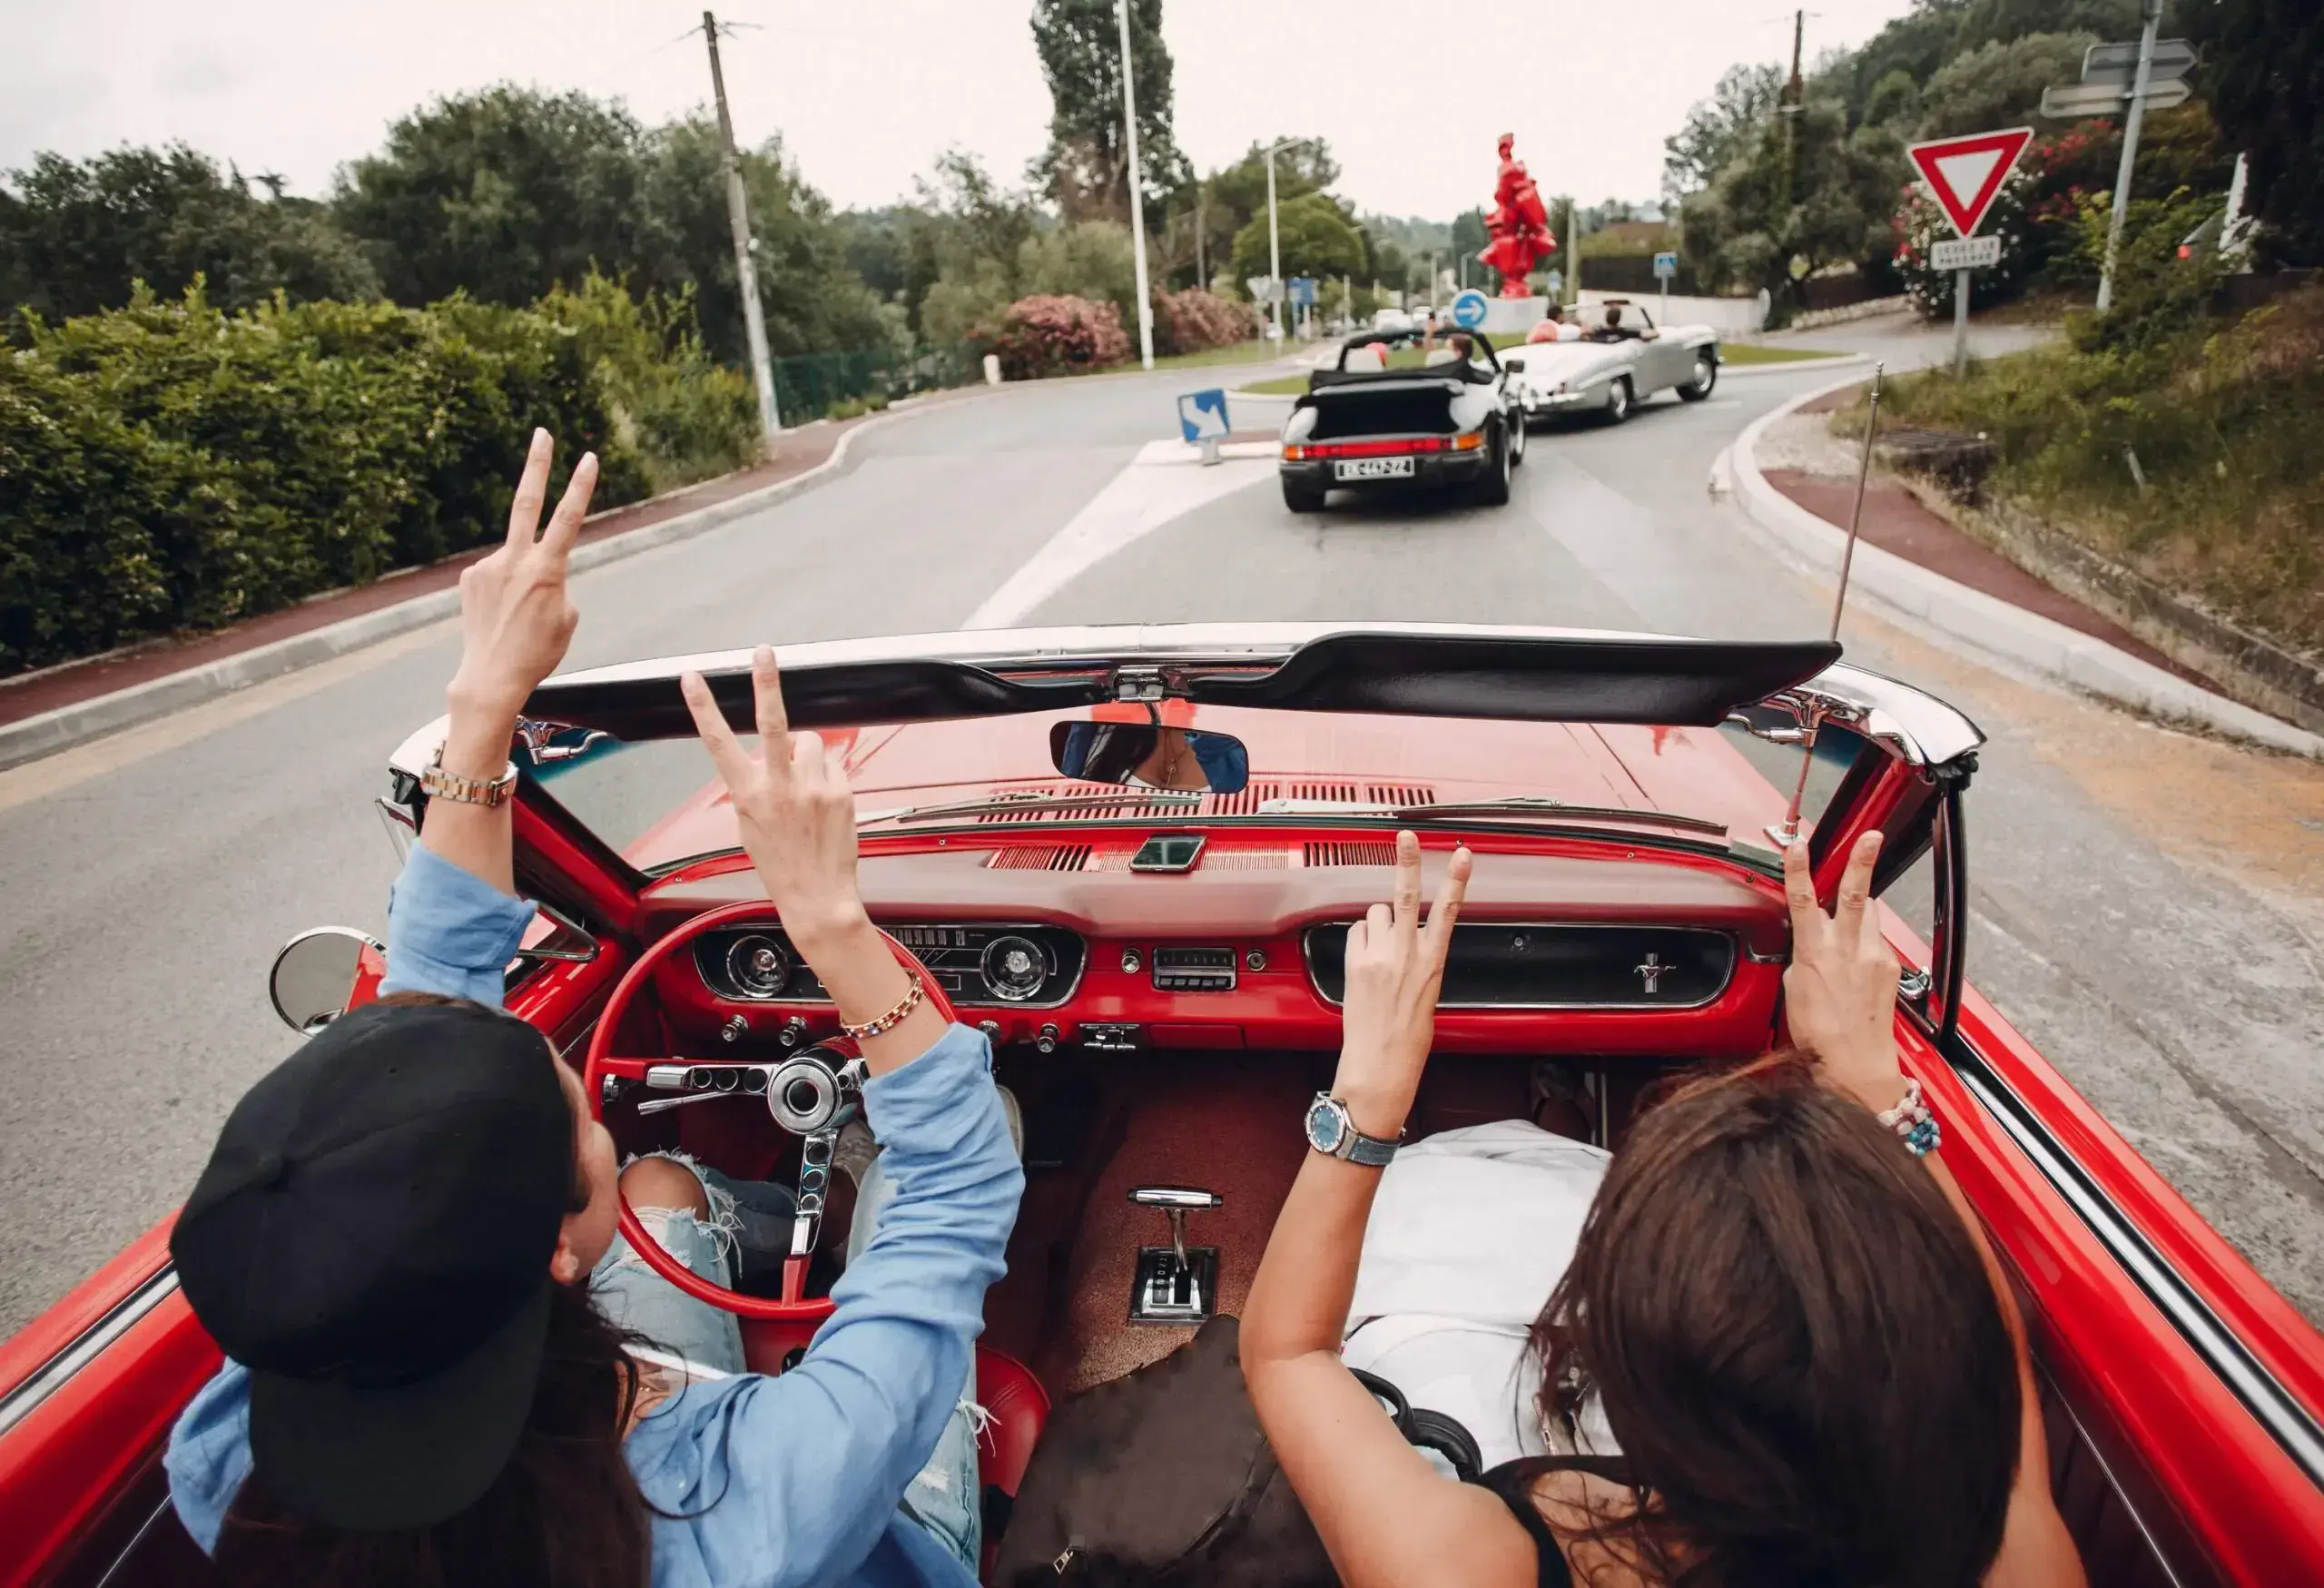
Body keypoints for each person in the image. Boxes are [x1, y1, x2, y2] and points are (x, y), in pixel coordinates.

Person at [164, 429, 1025, 1588]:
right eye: (574, 1109)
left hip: (573, 1414)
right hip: (861, 1536)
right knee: (961, 1163)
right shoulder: (748, 1507)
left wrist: (483, 711)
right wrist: (826, 922)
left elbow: (425, 1046)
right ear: (562, 1252)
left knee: (674, 1192)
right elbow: (960, 1186)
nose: (567, 1090)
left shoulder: (236, 1455)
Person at [1241, 833, 2086, 1588]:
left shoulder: (1475, 1563)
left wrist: (1370, 1086)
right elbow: (1987, 1362)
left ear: (1618, 1380)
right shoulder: (2005, 1555)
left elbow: (1287, 1353)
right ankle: (1557, 1121)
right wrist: (1875, 1085)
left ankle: (1548, 1123)